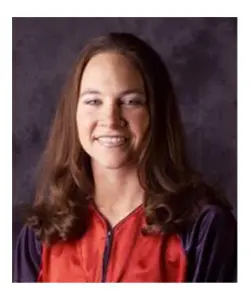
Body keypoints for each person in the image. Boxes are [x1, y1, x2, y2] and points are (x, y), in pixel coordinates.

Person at [13, 32, 237, 282]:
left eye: (131, 101)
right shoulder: (40, 235)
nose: (110, 119)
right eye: (93, 101)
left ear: (156, 113)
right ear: (73, 113)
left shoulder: (204, 228)